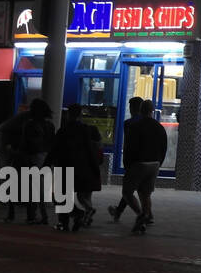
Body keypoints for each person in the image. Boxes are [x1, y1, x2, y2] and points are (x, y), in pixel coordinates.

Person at [46, 104, 103, 232]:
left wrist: (46, 164)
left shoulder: (63, 130)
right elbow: (90, 150)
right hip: (80, 168)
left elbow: (54, 149)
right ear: (80, 115)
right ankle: (71, 218)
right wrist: (94, 167)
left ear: (68, 114)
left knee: (59, 196)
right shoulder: (85, 130)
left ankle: (68, 219)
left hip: (64, 166)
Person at [117, 99, 168, 234]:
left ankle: (141, 215)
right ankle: (147, 216)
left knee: (127, 192)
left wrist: (127, 164)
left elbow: (129, 147)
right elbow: (164, 147)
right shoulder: (159, 127)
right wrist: (159, 163)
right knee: (145, 194)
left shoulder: (135, 126)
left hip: (139, 163)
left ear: (140, 110)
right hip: (154, 164)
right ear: (152, 111)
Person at [19, 99, 56, 225]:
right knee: (41, 188)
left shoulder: (29, 125)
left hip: (34, 157)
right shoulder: (50, 125)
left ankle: (33, 215)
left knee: (32, 189)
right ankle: (42, 215)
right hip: (47, 158)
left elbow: (25, 143)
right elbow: (52, 143)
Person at [108, 96, 142, 222]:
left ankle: (143, 214)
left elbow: (128, 144)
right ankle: (118, 211)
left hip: (132, 161)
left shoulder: (128, 123)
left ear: (132, 108)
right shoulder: (148, 122)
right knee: (132, 190)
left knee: (128, 190)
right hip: (146, 160)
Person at [0, 103, 29, 222]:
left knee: (14, 185)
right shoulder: (22, 126)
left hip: (16, 160)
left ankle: (13, 213)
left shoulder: (14, 126)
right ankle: (27, 214)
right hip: (21, 160)